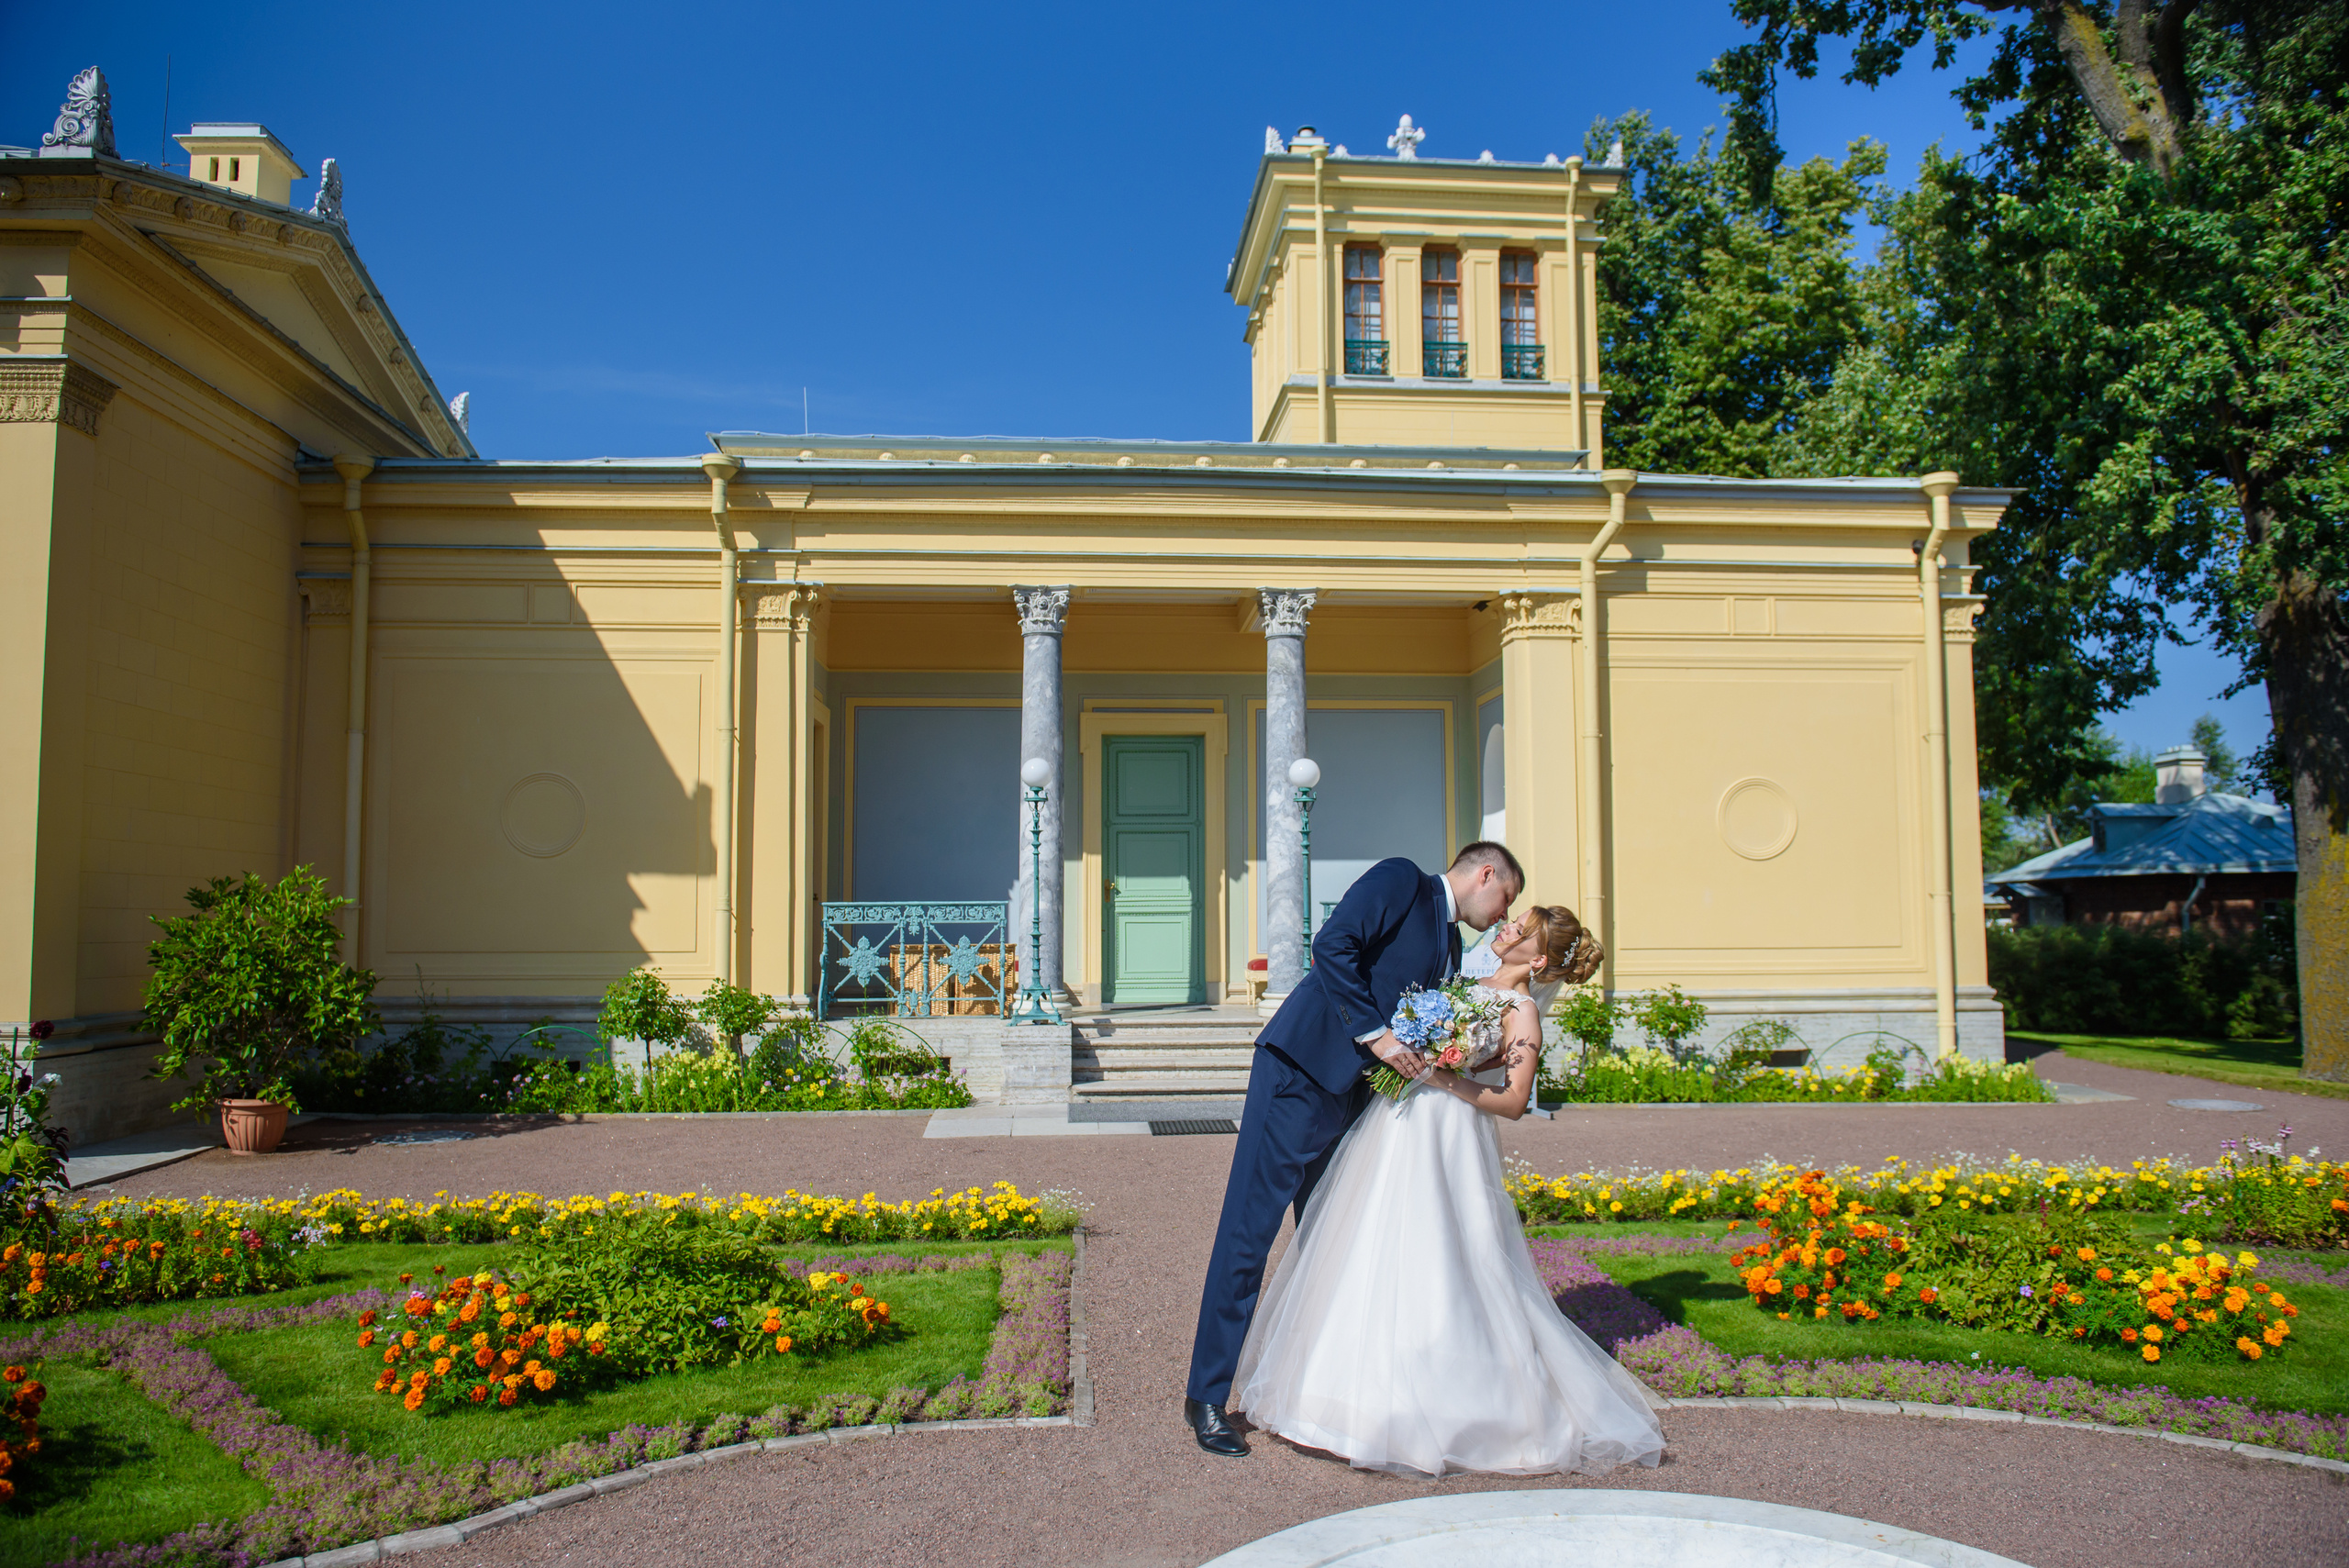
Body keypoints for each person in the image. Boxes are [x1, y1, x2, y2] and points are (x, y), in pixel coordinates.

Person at [1229, 904, 1667, 1477]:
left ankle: (1454, 1409)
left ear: (1536, 958)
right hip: (1397, 1124)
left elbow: (1512, 1102)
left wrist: (1443, 1076)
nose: (1505, 927)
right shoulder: (1460, 980)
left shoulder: (1522, 1011)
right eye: (1512, 921)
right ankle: (1339, 1398)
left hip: (1451, 1133)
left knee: (1444, 1255)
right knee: (1373, 1241)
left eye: (1521, 928)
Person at [1182, 841, 1521, 1457]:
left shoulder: (1448, 943)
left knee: (1331, 1245)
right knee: (1248, 1234)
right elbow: (1331, 946)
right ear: (1486, 872)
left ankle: (1309, 1391)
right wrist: (1380, 1036)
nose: (1503, 914)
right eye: (1507, 898)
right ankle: (1206, 1397)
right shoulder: (1402, 879)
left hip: (1357, 1100)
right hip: (1300, 1073)